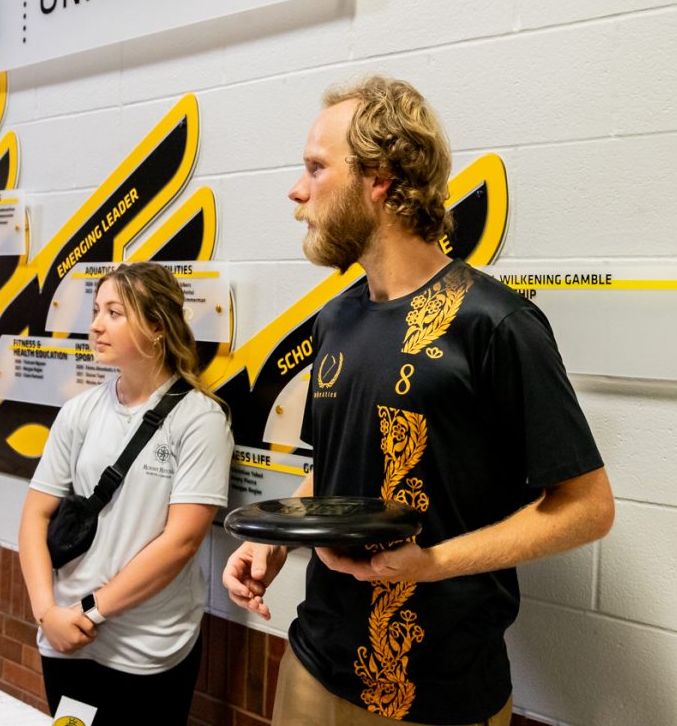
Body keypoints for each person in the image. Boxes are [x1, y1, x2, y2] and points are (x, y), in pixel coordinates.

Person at [222, 77, 615, 726]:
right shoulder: (335, 320)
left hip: (444, 697)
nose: (297, 191)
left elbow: (587, 509)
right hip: (313, 669)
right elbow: (341, 466)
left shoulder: (494, 323)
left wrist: (432, 564)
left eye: (316, 168)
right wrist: (276, 543)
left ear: (380, 179)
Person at [19, 262, 232, 725]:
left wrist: (91, 611)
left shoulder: (200, 420)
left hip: (148, 647)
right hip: (66, 638)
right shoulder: (80, 412)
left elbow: (181, 542)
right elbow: (35, 517)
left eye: (115, 312)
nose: (96, 324)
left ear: (157, 326)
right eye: (96, 310)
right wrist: (46, 614)